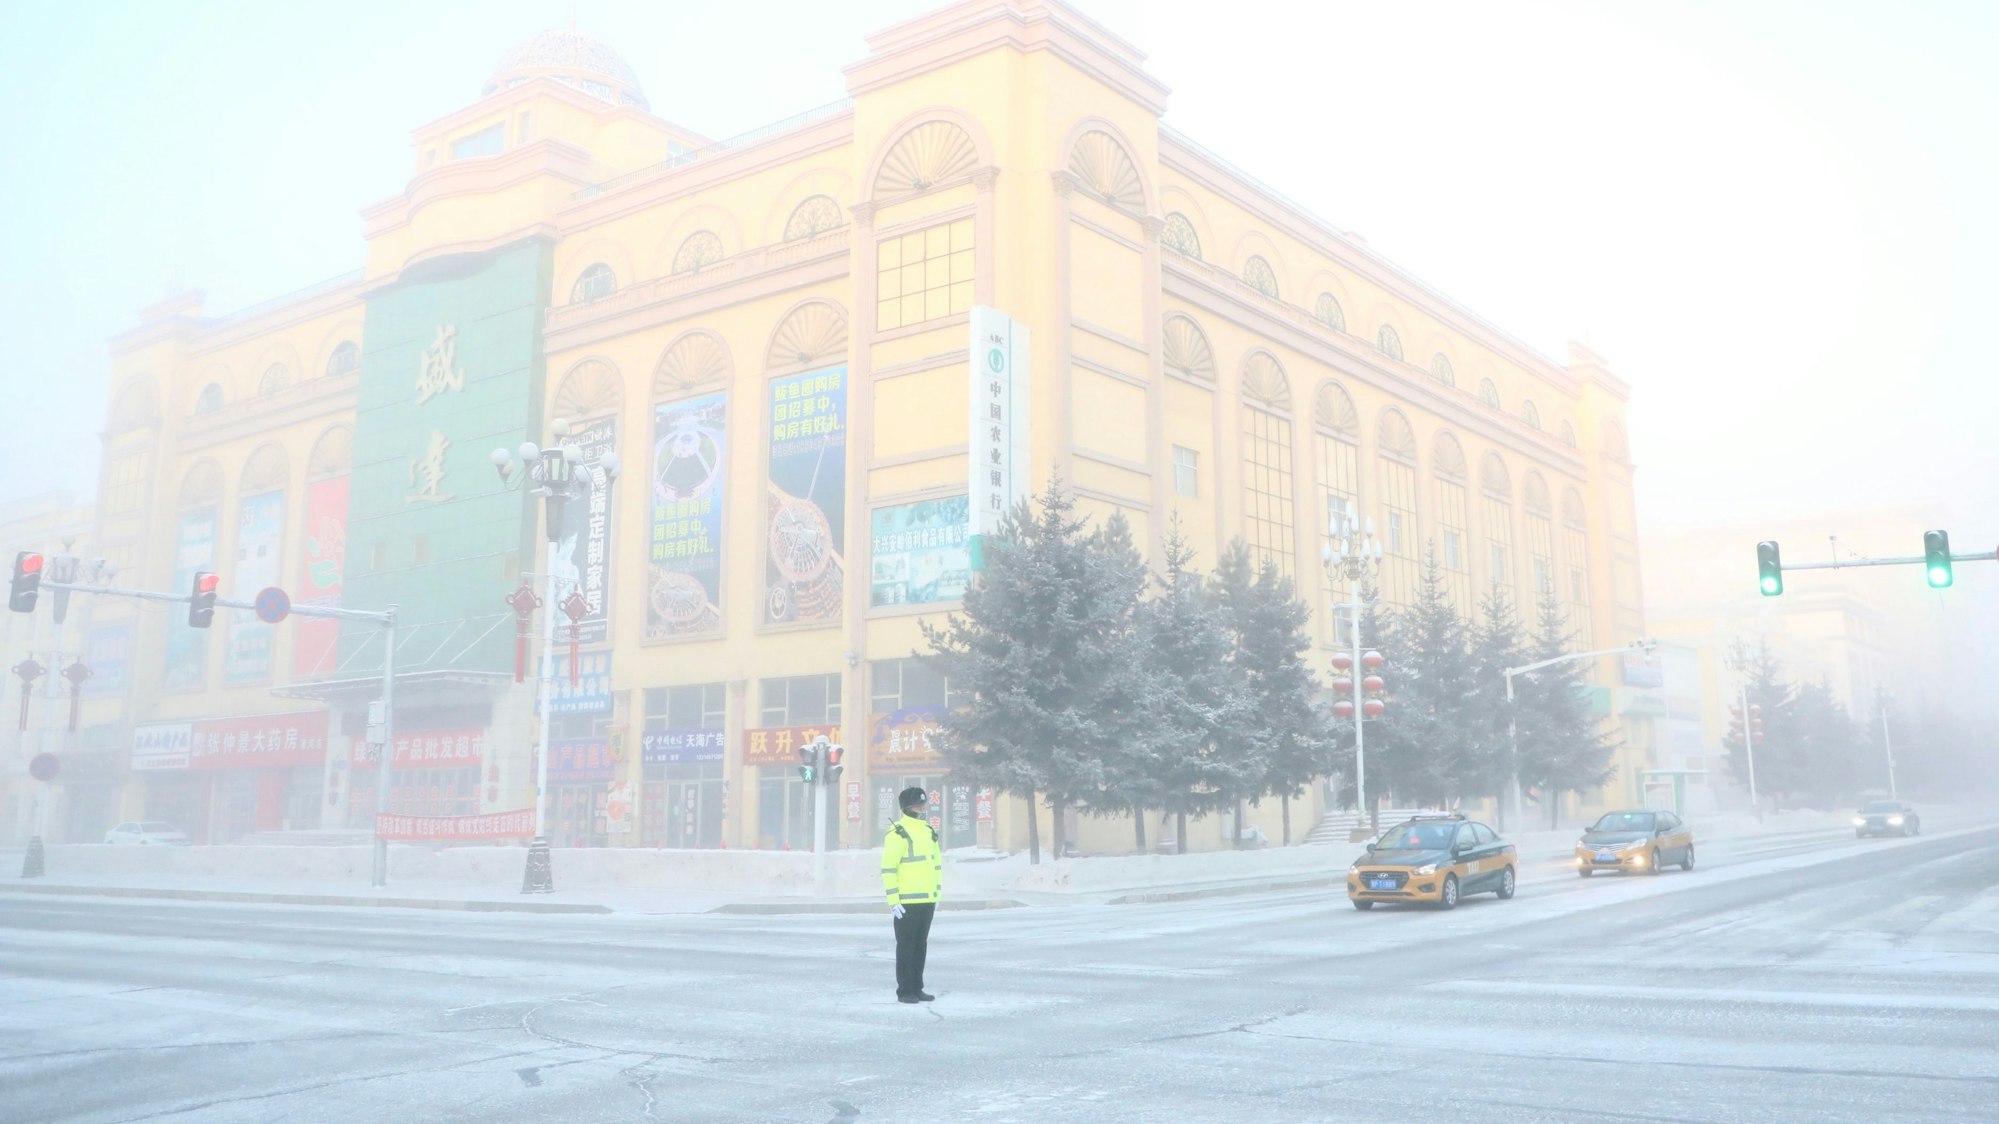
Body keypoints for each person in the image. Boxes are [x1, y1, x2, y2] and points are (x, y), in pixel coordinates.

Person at [880, 786, 942, 1003]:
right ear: (906, 808)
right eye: (917, 805)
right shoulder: (898, 833)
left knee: (920, 946)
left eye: (923, 805)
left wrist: (936, 895)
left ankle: (917, 987)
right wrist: (893, 901)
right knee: (906, 947)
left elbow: (935, 866)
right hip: (906, 902)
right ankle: (905, 990)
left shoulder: (927, 831)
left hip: (926, 900)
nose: (921, 808)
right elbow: (888, 869)